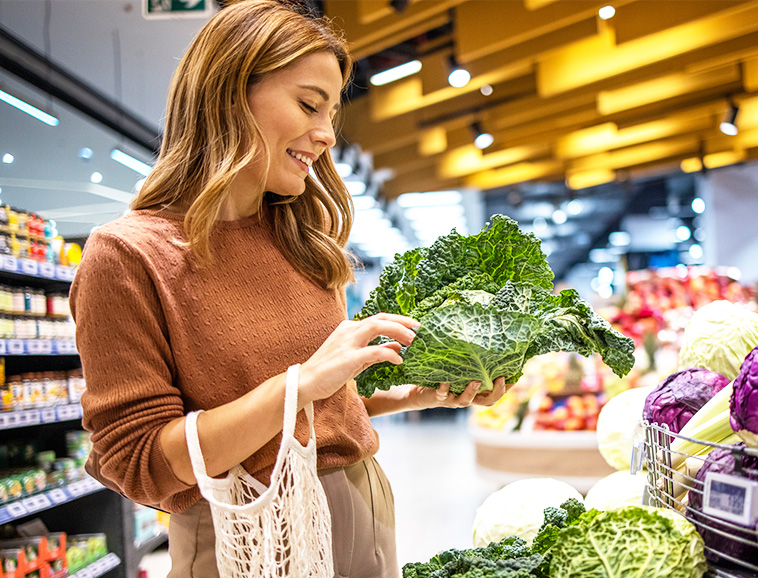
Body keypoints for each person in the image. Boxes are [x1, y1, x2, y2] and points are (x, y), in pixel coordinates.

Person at [68, 1, 511, 576]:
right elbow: (143, 460)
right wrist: (300, 383)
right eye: (308, 104)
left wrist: (414, 396)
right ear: (227, 93)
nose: (326, 134)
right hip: (245, 538)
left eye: (332, 113)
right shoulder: (128, 255)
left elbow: (316, 409)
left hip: (364, 510)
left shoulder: (303, 240)